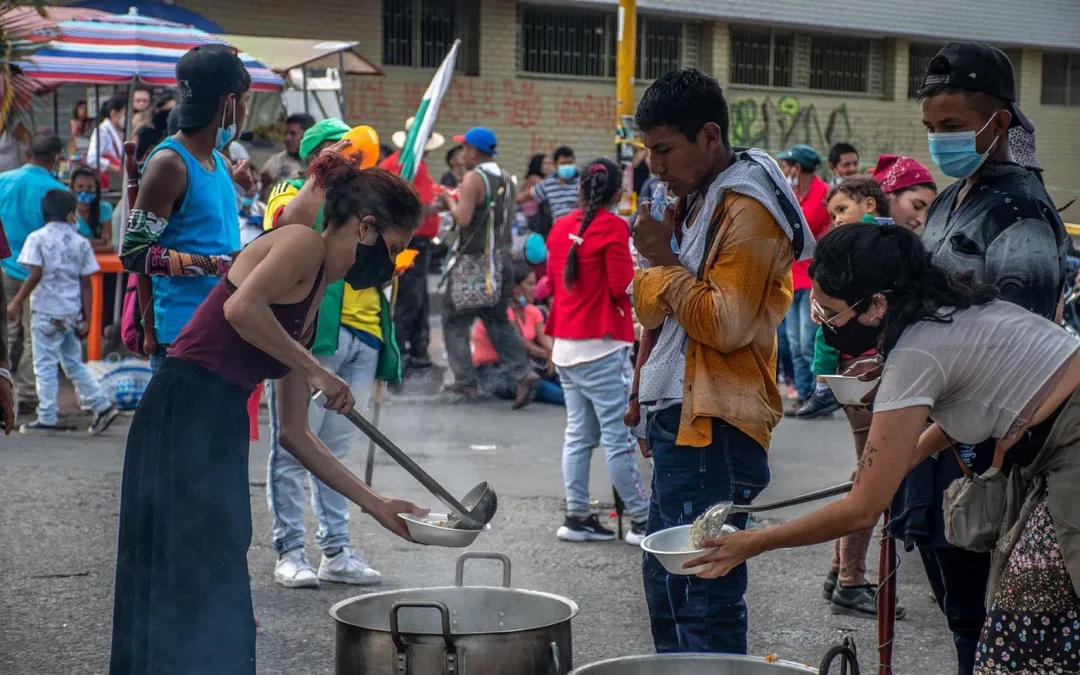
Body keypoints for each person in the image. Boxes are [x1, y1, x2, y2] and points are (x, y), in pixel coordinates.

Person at [688, 222, 1080, 675]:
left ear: (877, 304)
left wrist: (754, 543)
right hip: (1053, 443)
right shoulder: (948, 308)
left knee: (1022, 636)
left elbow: (861, 510)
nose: (824, 324)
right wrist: (910, 453)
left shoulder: (916, 353)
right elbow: (983, 392)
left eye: (831, 312)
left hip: (1069, 445)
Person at [109, 149, 427, 675]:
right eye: (393, 248)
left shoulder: (318, 291)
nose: (390, 265)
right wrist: (316, 369)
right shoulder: (302, 244)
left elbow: (297, 435)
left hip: (220, 422)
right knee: (181, 569)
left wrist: (377, 505)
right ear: (366, 228)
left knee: (219, 564)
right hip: (181, 411)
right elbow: (240, 308)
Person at [889, 41, 1065, 673]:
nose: (940, 140)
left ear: (1000, 121)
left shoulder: (1021, 210)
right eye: (931, 127)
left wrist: (916, 444)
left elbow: (1021, 360)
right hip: (936, 422)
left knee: (980, 617)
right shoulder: (949, 199)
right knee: (953, 602)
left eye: (953, 126)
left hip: (983, 444)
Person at [631, 67, 807, 654]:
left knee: (700, 597)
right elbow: (648, 308)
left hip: (715, 425)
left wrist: (664, 261)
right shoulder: (695, 200)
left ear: (709, 137)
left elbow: (725, 325)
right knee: (668, 585)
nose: (654, 165)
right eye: (648, 150)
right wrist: (664, 267)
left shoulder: (748, 206)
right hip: (680, 415)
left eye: (664, 149)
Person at [262, 117, 400, 588]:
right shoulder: (290, 191)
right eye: (345, 153)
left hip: (366, 334)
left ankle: (336, 550)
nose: (355, 163)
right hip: (312, 336)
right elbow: (284, 227)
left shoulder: (367, 205)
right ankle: (290, 551)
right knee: (293, 446)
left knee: (336, 452)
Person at [119, 45, 253, 373]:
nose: (245, 111)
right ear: (230, 103)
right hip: (182, 338)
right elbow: (135, 253)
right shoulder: (170, 163)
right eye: (246, 101)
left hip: (223, 327)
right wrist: (222, 265)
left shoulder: (220, 162)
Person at [545, 156, 649, 543]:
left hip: (565, 345)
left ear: (580, 189)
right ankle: (642, 519)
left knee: (578, 436)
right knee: (619, 440)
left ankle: (576, 516)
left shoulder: (559, 228)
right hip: (602, 346)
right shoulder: (614, 227)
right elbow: (622, 286)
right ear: (617, 194)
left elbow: (554, 283)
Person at [6, 190, 120, 435]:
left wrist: (16, 302)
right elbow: (86, 283)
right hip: (71, 313)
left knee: (44, 365)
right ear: (71, 213)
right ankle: (102, 405)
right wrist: (88, 318)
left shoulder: (37, 238)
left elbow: (34, 274)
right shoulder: (81, 242)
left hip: (45, 311)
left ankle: (47, 416)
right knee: (73, 363)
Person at [443, 127, 538, 407]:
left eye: (464, 149)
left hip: (475, 264)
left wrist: (448, 200)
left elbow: (463, 218)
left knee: (454, 319)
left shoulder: (475, 177)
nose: (461, 155)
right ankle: (523, 372)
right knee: (496, 319)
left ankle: (465, 382)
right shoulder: (506, 177)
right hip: (502, 261)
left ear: (474, 152)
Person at [0, 131, 66, 413]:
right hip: (38, 274)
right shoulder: (56, 191)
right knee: (32, 337)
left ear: (27, 152)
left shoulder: (3, 180)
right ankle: (27, 393)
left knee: (6, 332)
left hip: (4, 267)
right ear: (56, 159)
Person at [382, 117, 444, 372]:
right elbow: (413, 204)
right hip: (409, 241)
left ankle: (418, 351)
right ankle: (400, 354)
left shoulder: (412, 164)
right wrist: (438, 205)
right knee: (408, 299)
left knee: (417, 300)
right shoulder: (403, 165)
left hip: (417, 240)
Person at [777, 144, 832, 413]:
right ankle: (803, 394)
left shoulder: (823, 195)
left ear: (797, 168)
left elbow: (804, 230)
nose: (784, 171)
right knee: (793, 343)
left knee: (807, 342)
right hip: (791, 277)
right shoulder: (793, 194)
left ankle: (815, 396)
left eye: (787, 166)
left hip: (812, 280)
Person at [472, 263, 562, 405]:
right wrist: (547, 354)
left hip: (520, 367)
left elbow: (544, 336)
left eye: (535, 284)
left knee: (562, 381)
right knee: (547, 389)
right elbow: (518, 341)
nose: (535, 289)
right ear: (515, 289)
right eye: (530, 284)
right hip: (492, 369)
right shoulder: (501, 313)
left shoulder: (532, 311)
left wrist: (551, 352)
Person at [872, 155, 937, 234]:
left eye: (927, 213)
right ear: (889, 193)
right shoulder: (862, 234)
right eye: (917, 206)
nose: (921, 220)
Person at [260, 113, 315, 199]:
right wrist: (265, 186)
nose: (287, 138)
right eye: (286, 133)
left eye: (293, 134)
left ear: (308, 135)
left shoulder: (319, 161)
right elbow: (261, 195)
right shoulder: (276, 162)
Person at [518, 145, 579, 222]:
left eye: (570, 163)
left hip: (578, 226)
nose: (567, 166)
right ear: (555, 165)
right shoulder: (548, 184)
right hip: (558, 227)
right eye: (563, 163)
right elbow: (522, 197)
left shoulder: (582, 182)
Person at [70, 166, 114, 252]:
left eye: (90, 187)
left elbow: (106, 240)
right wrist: (102, 246)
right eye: (80, 187)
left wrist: (80, 243)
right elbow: (71, 244)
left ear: (95, 188)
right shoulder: (68, 210)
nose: (85, 190)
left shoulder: (105, 208)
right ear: (73, 188)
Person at [87, 98, 126, 177]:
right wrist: (117, 169)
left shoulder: (118, 132)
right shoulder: (102, 131)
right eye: (125, 113)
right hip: (109, 179)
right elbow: (92, 159)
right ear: (114, 113)